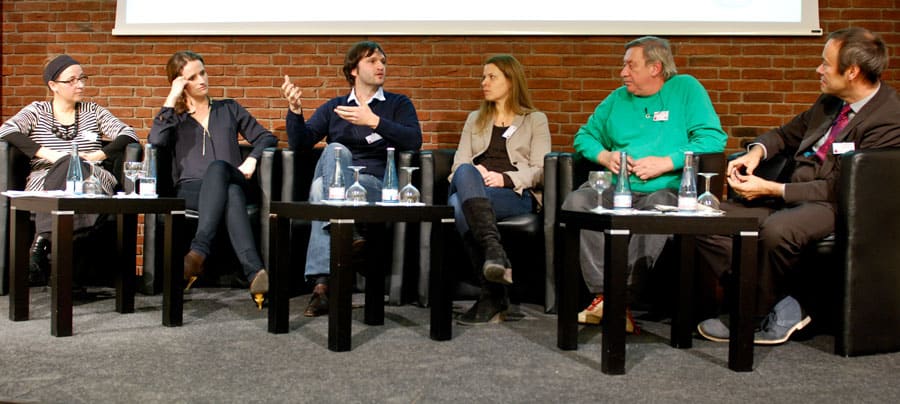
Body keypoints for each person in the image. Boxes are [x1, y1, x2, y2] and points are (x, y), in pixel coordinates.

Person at [696, 27, 900, 345]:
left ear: (852, 72)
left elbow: (847, 186)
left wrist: (772, 190)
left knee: (779, 231)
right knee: (704, 216)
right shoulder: (830, 102)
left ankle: (749, 316)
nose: (818, 69)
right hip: (791, 193)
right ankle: (782, 301)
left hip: (836, 202)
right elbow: (784, 134)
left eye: (825, 64)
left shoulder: (889, 118)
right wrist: (755, 153)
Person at [561, 36, 727, 332]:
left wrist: (666, 161)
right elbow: (584, 136)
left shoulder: (686, 88)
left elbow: (713, 139)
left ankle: (617, 300)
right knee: (578, 203)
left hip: (664, 188)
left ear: (655, 67)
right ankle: (607, 297)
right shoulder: (617, 98)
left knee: (654, 211)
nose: (623, 72)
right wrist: (604, 155)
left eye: (630, 65)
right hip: (617, 186)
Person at [281, 41, 422, 317]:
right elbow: (300, 144)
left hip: (375, 185)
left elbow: (414, 140)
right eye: (372, 61)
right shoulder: (336, 107)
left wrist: (373, 121)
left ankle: (322, 285)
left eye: (383, 60)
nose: (380, 66)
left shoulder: (397, 104)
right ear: (353, 70)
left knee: (321, 189)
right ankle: (351, 236)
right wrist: (295, 110)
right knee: (333, 156)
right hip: (335, 184)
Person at [148, 51, 278, 310]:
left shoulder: (229, 108)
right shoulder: (175, 118)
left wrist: (252, 158)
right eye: (192, 77)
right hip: (192, 189)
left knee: (220, 170)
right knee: (230, 194)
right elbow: (156, 141)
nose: (201, 80)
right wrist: (172, 98)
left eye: (203, 73)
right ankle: (255, 273)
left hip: (233, 174)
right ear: (180, 82)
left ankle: (198, 252)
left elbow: (266, 137)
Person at [0, 54, 139, 286]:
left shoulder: (93, 111)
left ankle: (42, 241)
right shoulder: (37, 111)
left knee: (74, 163)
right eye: (72, 80)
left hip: (91, 175)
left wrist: (97, 155)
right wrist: (52, 155)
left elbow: (129, 134)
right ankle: (70, 273)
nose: (81, 85)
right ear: (53, 85)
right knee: (66, 162)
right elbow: (6, 130)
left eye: (82, 78)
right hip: (45, 178)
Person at [448, 55, 551, 325]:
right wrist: (477, 173)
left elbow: (541, 169)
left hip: (514, 195)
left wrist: (504, 178)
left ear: (511, 80)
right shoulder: (475, 118)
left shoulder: (535, 120)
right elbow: (459, 163)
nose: (484, 82)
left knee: (460, 205)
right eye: (483, 77)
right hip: (476, 188)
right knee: (465, 173)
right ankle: (495, 256)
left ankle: (492, 290)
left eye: (491, 76)